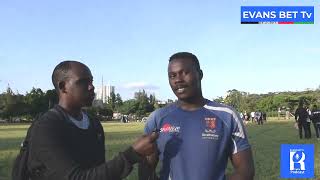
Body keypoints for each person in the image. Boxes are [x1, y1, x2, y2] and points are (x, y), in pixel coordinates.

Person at [27, 61, 158, 180]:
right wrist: (131, 155)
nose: (91, 87)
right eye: (83, 82)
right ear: (63, 87)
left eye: (91, 81)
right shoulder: (47, 127)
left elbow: (99, 171)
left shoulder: (93, 123)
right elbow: (75, 177)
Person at [139, 52, 255, 180]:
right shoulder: (157, 118)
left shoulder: (227, 116)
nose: (178, 80)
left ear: (200, 74)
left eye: (184, 73)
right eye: (172, 76)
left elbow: (246, 172)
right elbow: (145, 171)